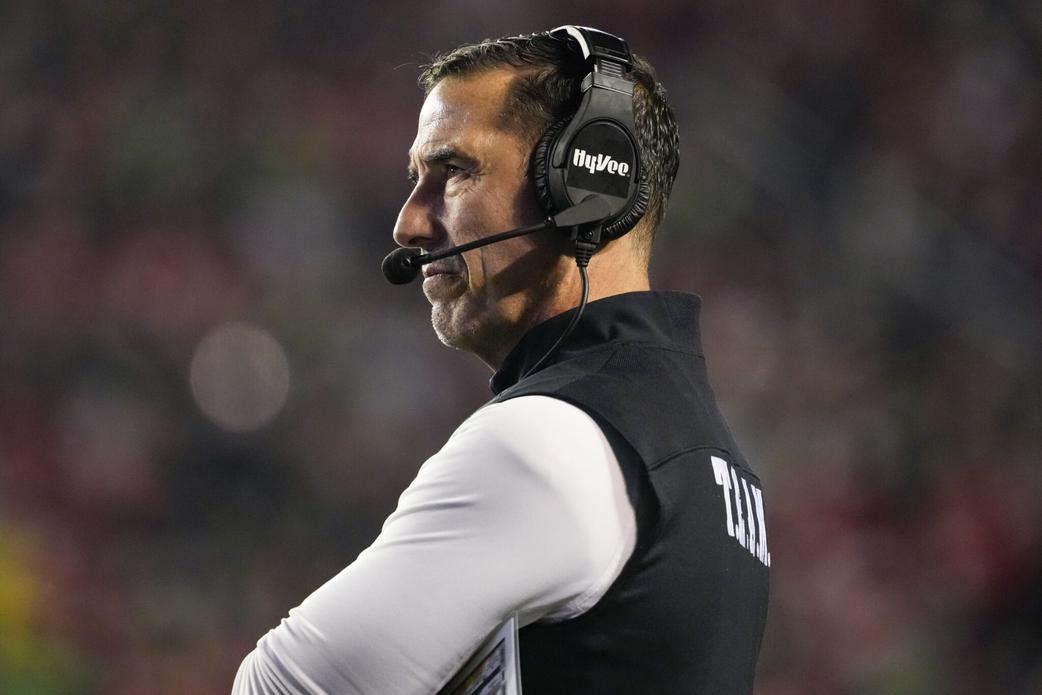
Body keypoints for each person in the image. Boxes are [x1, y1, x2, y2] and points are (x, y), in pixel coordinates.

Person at [233, 26, 769, 694]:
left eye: (454, 171)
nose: (407, 221)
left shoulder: (550, 439)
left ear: (584, 186)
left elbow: (284, 685)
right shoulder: (710, 462)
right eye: (414, 178)